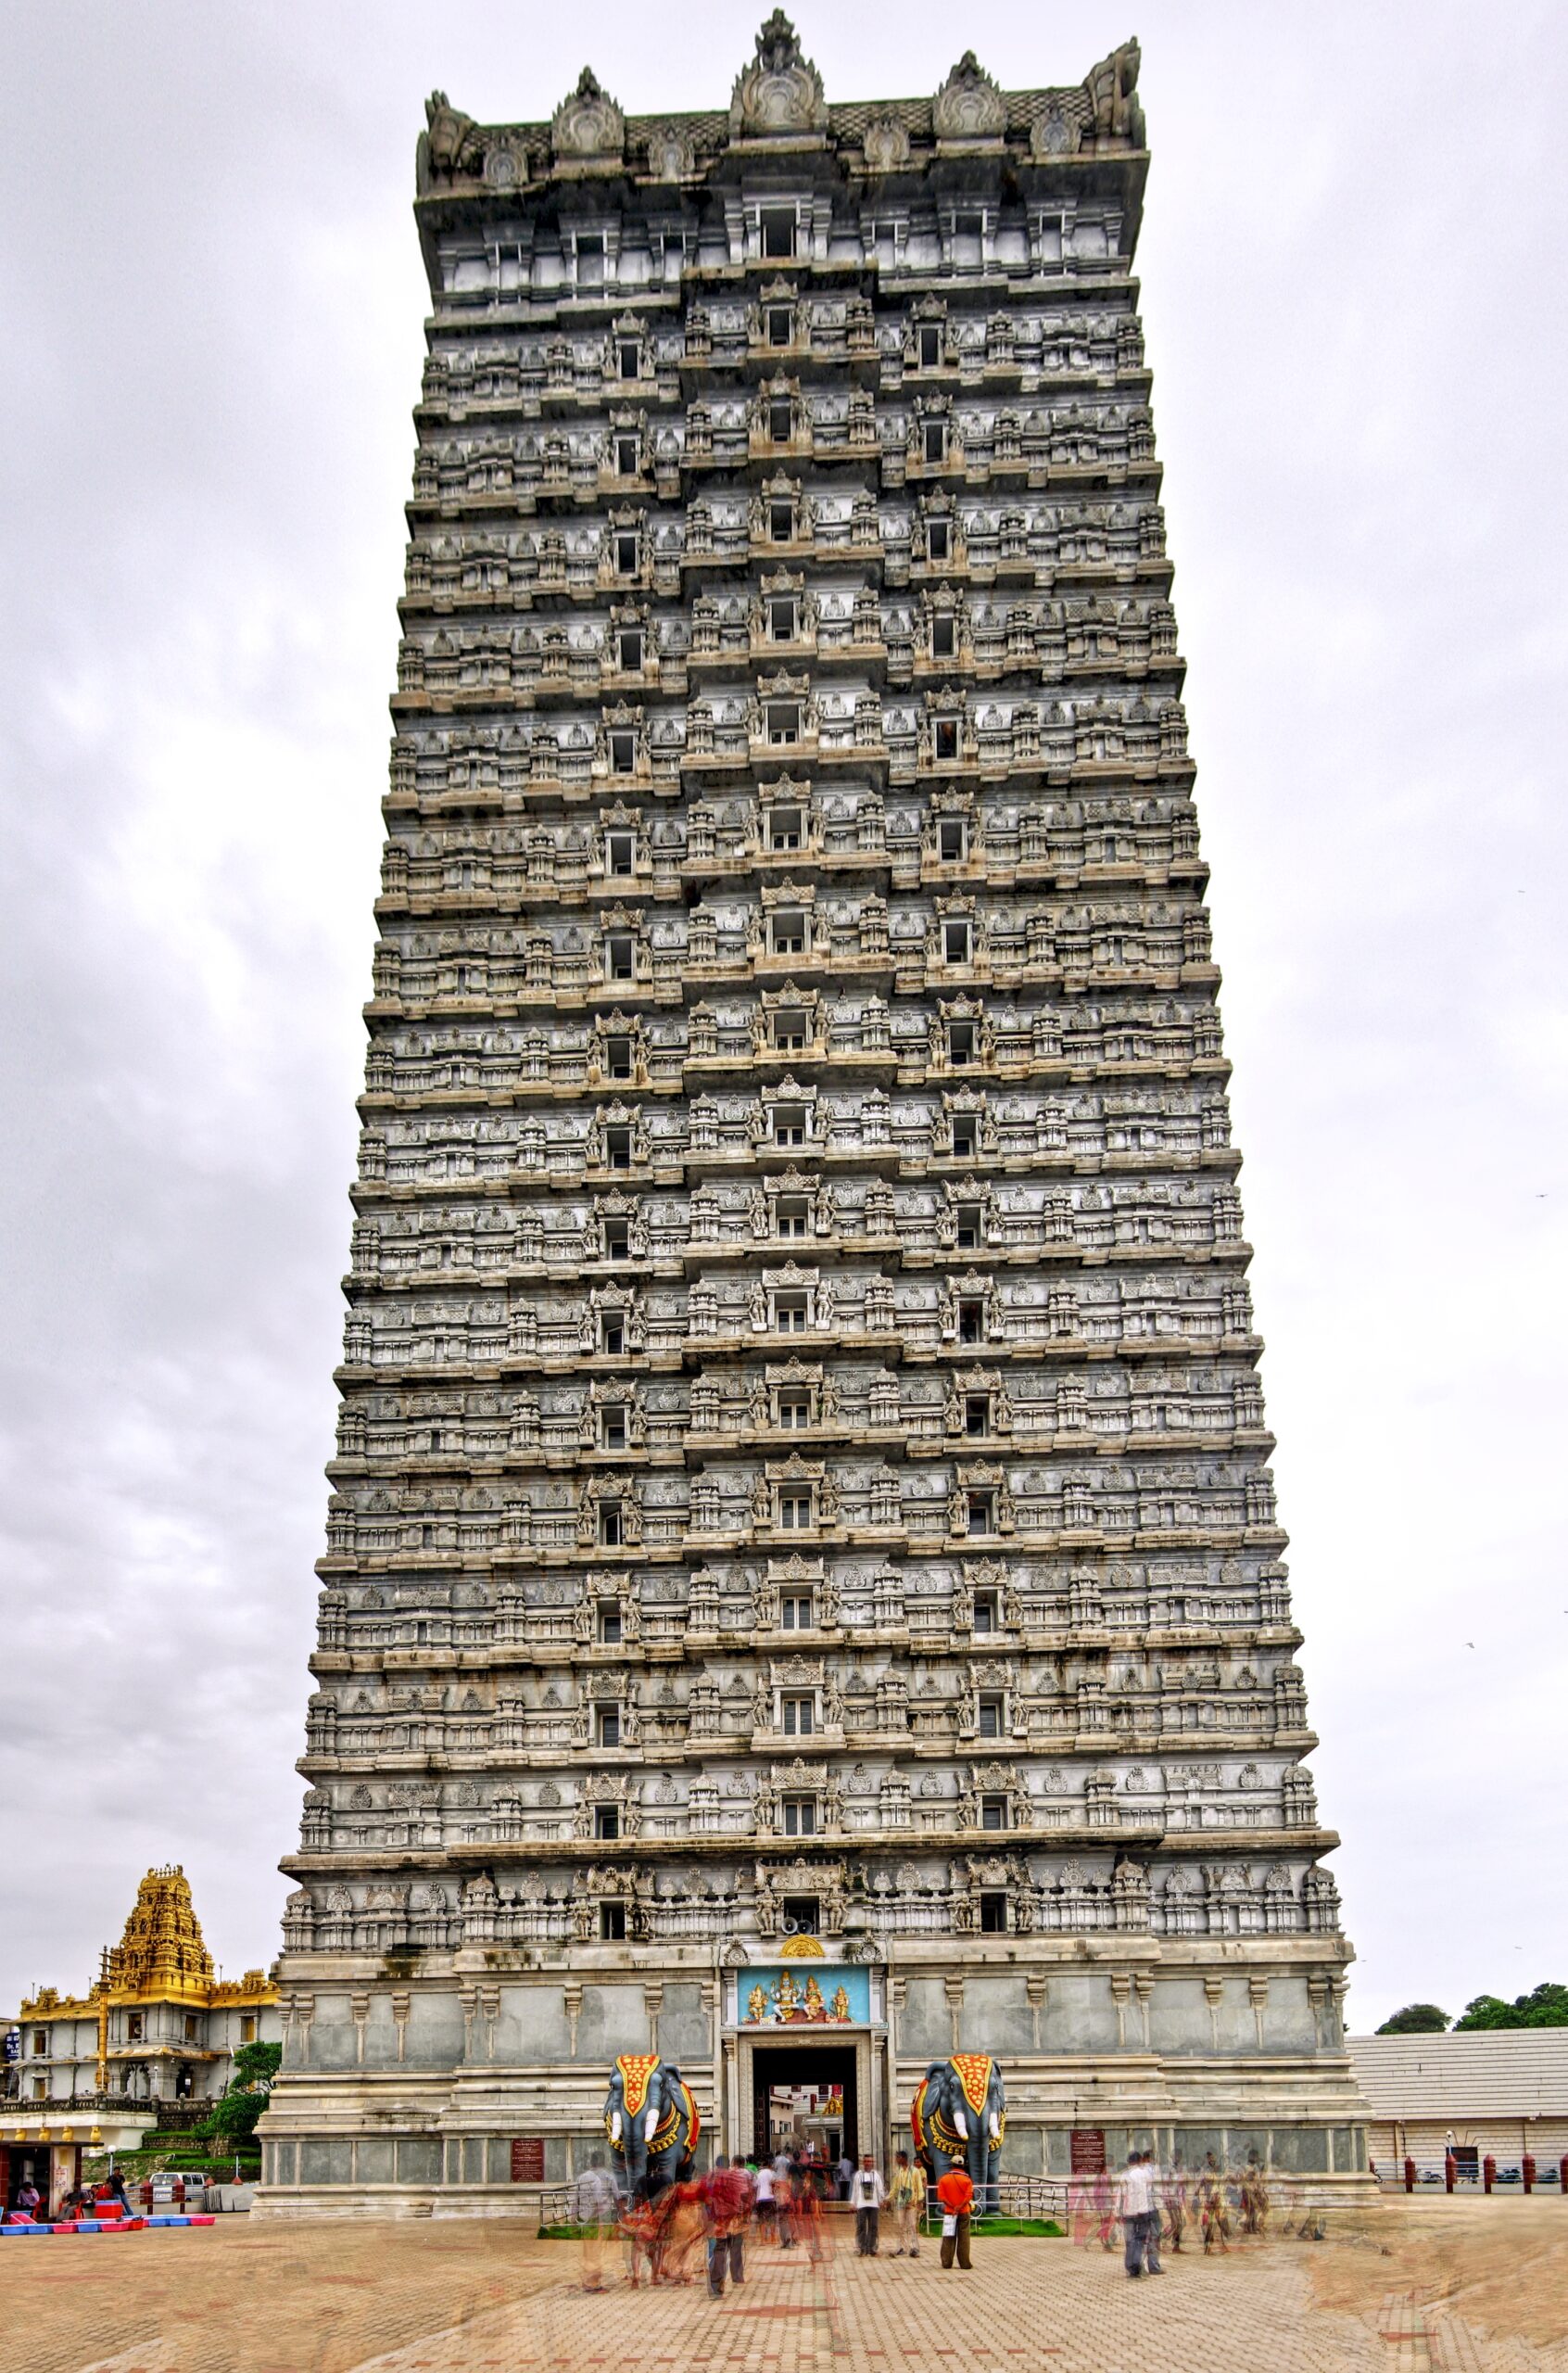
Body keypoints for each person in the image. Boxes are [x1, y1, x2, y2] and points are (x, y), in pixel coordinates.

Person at [702, 2155, 753, 2298]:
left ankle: (716, 2285)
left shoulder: (711, 2178)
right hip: (734, 2220)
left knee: (719, 2250)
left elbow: (706, 2198)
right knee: (735, 2248)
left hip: (718, 2220)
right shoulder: (734, 2178)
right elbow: (744, 2197)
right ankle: (737, 2276)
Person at [574, 2160, 620, 2292]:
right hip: (598, 2219)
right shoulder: (606, 2177)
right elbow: (613, 2196)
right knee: (596, 2251)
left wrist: (574, 2218)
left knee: (587, 2250)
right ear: (603, 2162)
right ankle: (593, 2283)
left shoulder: (581, 2177)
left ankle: (586, 2280)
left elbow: (574, 2199)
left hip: (584, 2219)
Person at [934, 2161, 974, 2270]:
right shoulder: (967, 2180)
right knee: (964, 2238)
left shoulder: (944, 2179)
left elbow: (942, 2197)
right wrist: (959, 2207)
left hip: (949, 2212)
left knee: (948, 2237)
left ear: (952, 2165)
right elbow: (968, 2196)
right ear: (963, 2166)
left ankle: (946, 2262)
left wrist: (952, 2207)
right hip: (964, 2212)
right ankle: (965, 2263)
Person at [890, 2151, 926, 2256]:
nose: (896, 2160)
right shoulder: (898, 2172)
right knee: (901, 2225)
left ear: (903, 2158)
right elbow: (895, 2188)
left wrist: (919, 2200)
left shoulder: (914, 2171)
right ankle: (901, 2247)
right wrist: (888, 2199)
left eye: (897, 2158)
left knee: (912, 2225)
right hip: (901, 2202)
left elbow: (919, 2187)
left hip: (911, 2203)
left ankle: (914, 2248)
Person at [850, 2152, 886, 2255]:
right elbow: (855, 2190)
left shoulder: (876, 2175)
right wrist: (853, 2203)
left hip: (874, 2204)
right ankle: (862, 2247)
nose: (868, 2163)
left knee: (873, 2226)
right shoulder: (858, 2175)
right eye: (866, 2161)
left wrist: (882, 2200)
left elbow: (880, 2190)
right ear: (863, 2162)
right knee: (861, 2226)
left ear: (873, 2163)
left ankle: (872, 2247)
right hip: (861, 2204)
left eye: (870, 2161)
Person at [752, 2156, 777, 2241]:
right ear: (769, 2165)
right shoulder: (772, 2173)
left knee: (762, 2219)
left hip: (761, 2198)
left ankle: (763, 2239)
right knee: (772, 2218)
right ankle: (773, 2238)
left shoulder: (758, 2173)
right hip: (770, 2198)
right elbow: (774, 2183)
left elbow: (755, 2186)